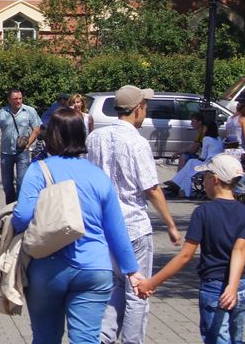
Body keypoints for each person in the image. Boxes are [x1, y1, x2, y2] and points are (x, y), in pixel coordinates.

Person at [12, 108, 143, 344]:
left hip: (48, 268)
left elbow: (22, 216)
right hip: (94, 269)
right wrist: (132, 270)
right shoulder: (98, 175)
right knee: (87, 339)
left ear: (52, 136)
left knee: (45, 338)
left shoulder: (39, 170)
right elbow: (116, 229)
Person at [86, 84, 182, 343]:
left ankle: (104, 336)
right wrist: (171, 224)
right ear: (138, 108)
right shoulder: (138, 143)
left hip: (104, 226)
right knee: (138, 290)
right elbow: (151, 188)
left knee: (115, 284)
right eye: (145, 106)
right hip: (133, 226)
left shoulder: (95, 138)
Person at [137, 154, 245, 344]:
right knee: (235, 338)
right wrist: (233, 286)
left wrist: (152, 282)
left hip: (214, 286)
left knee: (217, 338)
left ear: (214, 179)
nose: (203, 181)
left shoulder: (203, 212)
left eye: (205, 176)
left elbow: (185, 256)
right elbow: (239, 250)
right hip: (241, 284)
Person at [0, 88, 42, 204]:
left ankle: (19, 206)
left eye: (20, 98)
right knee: (7, 183)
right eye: (15, 99)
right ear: (9, 99)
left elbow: (36, 129)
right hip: (6, 152)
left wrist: (28, 144)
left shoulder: (29, 111)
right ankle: (9, 206)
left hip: (22, 152)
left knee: (22, 182)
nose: (18, 101)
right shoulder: (3, 112)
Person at [167, 119, 222, 198]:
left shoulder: (206, 138)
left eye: (204, 127)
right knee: (189, 169)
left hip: (209, 164)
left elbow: (203, 156)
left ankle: (177, 182)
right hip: (217, 163)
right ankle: (178, 184)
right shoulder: (218, 138)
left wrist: (198, 157)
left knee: (190, 163)